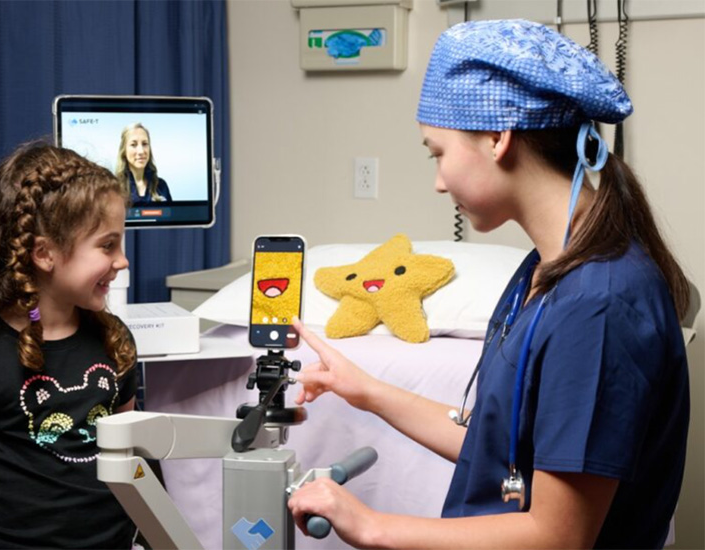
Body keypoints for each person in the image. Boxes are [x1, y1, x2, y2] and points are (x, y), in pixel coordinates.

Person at [287, 19, 690, 549]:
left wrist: (371, 525)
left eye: (438, 153)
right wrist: (365, 390)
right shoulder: (544, 271)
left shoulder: (600, 304)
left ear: (498, 137)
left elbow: (557, 536)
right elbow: (503, 449)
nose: (437, 181)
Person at [0, 143, 139, 549]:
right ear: (45, 254)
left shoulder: (113, 339)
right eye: (108, 246)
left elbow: (131, 456)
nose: (122, 261)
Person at [116, 122, 172, 205]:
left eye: (145, 144)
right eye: (133, 145)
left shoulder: (161, 186)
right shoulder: (114, 188)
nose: (141, 151)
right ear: (124, 151)